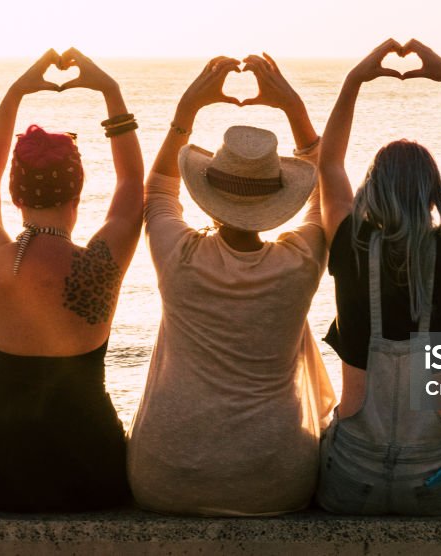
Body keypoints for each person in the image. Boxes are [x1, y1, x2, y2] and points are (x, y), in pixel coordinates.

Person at [126, 54, 335, 516]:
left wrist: (188, 110)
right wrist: (293, 108)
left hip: (164, 476)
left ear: (209, 196)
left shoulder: (178, 256)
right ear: (278, 198)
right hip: (275, 480)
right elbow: (330, 194)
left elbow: (158, 190)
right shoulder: (300, 261)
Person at [315, 39, 441, 516]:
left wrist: (355, 79)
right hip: (436, 480)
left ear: (371, 186)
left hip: (352, 477)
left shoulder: (351, 241)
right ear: (434, 189)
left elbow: (327, 164)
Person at [0, 48, 143, 512]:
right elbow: (130, 183)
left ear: (15, 192)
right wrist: (110, 90)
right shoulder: (102, 260)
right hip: (93, 471)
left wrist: (16, 92)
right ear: (78, 187)